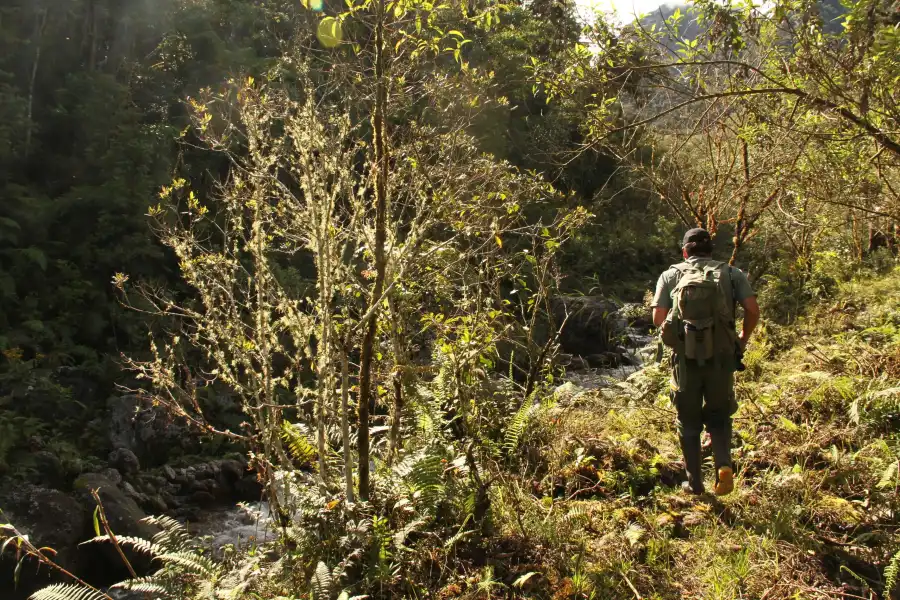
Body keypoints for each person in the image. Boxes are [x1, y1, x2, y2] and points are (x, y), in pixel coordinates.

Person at [651, 228, 760, 495]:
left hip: (684, 360)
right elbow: (752, 310)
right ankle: (723, 465)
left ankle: (695, 484)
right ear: (711, 250)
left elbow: (658, 319)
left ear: (685, 251)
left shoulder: (670, 274)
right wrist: (741, 340)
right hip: (722, 358)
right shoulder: (731, 273)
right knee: (720, 416)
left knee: (687, 422)